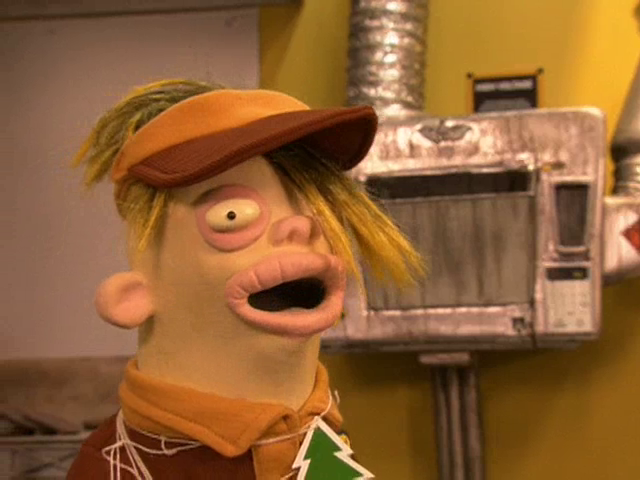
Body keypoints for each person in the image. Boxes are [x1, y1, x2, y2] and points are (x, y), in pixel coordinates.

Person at [67, 79, 423, 479]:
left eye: (319, 209)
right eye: (232, 216)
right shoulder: (119, 466)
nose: (299, 226)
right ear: (130, 297)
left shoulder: (319, 435)